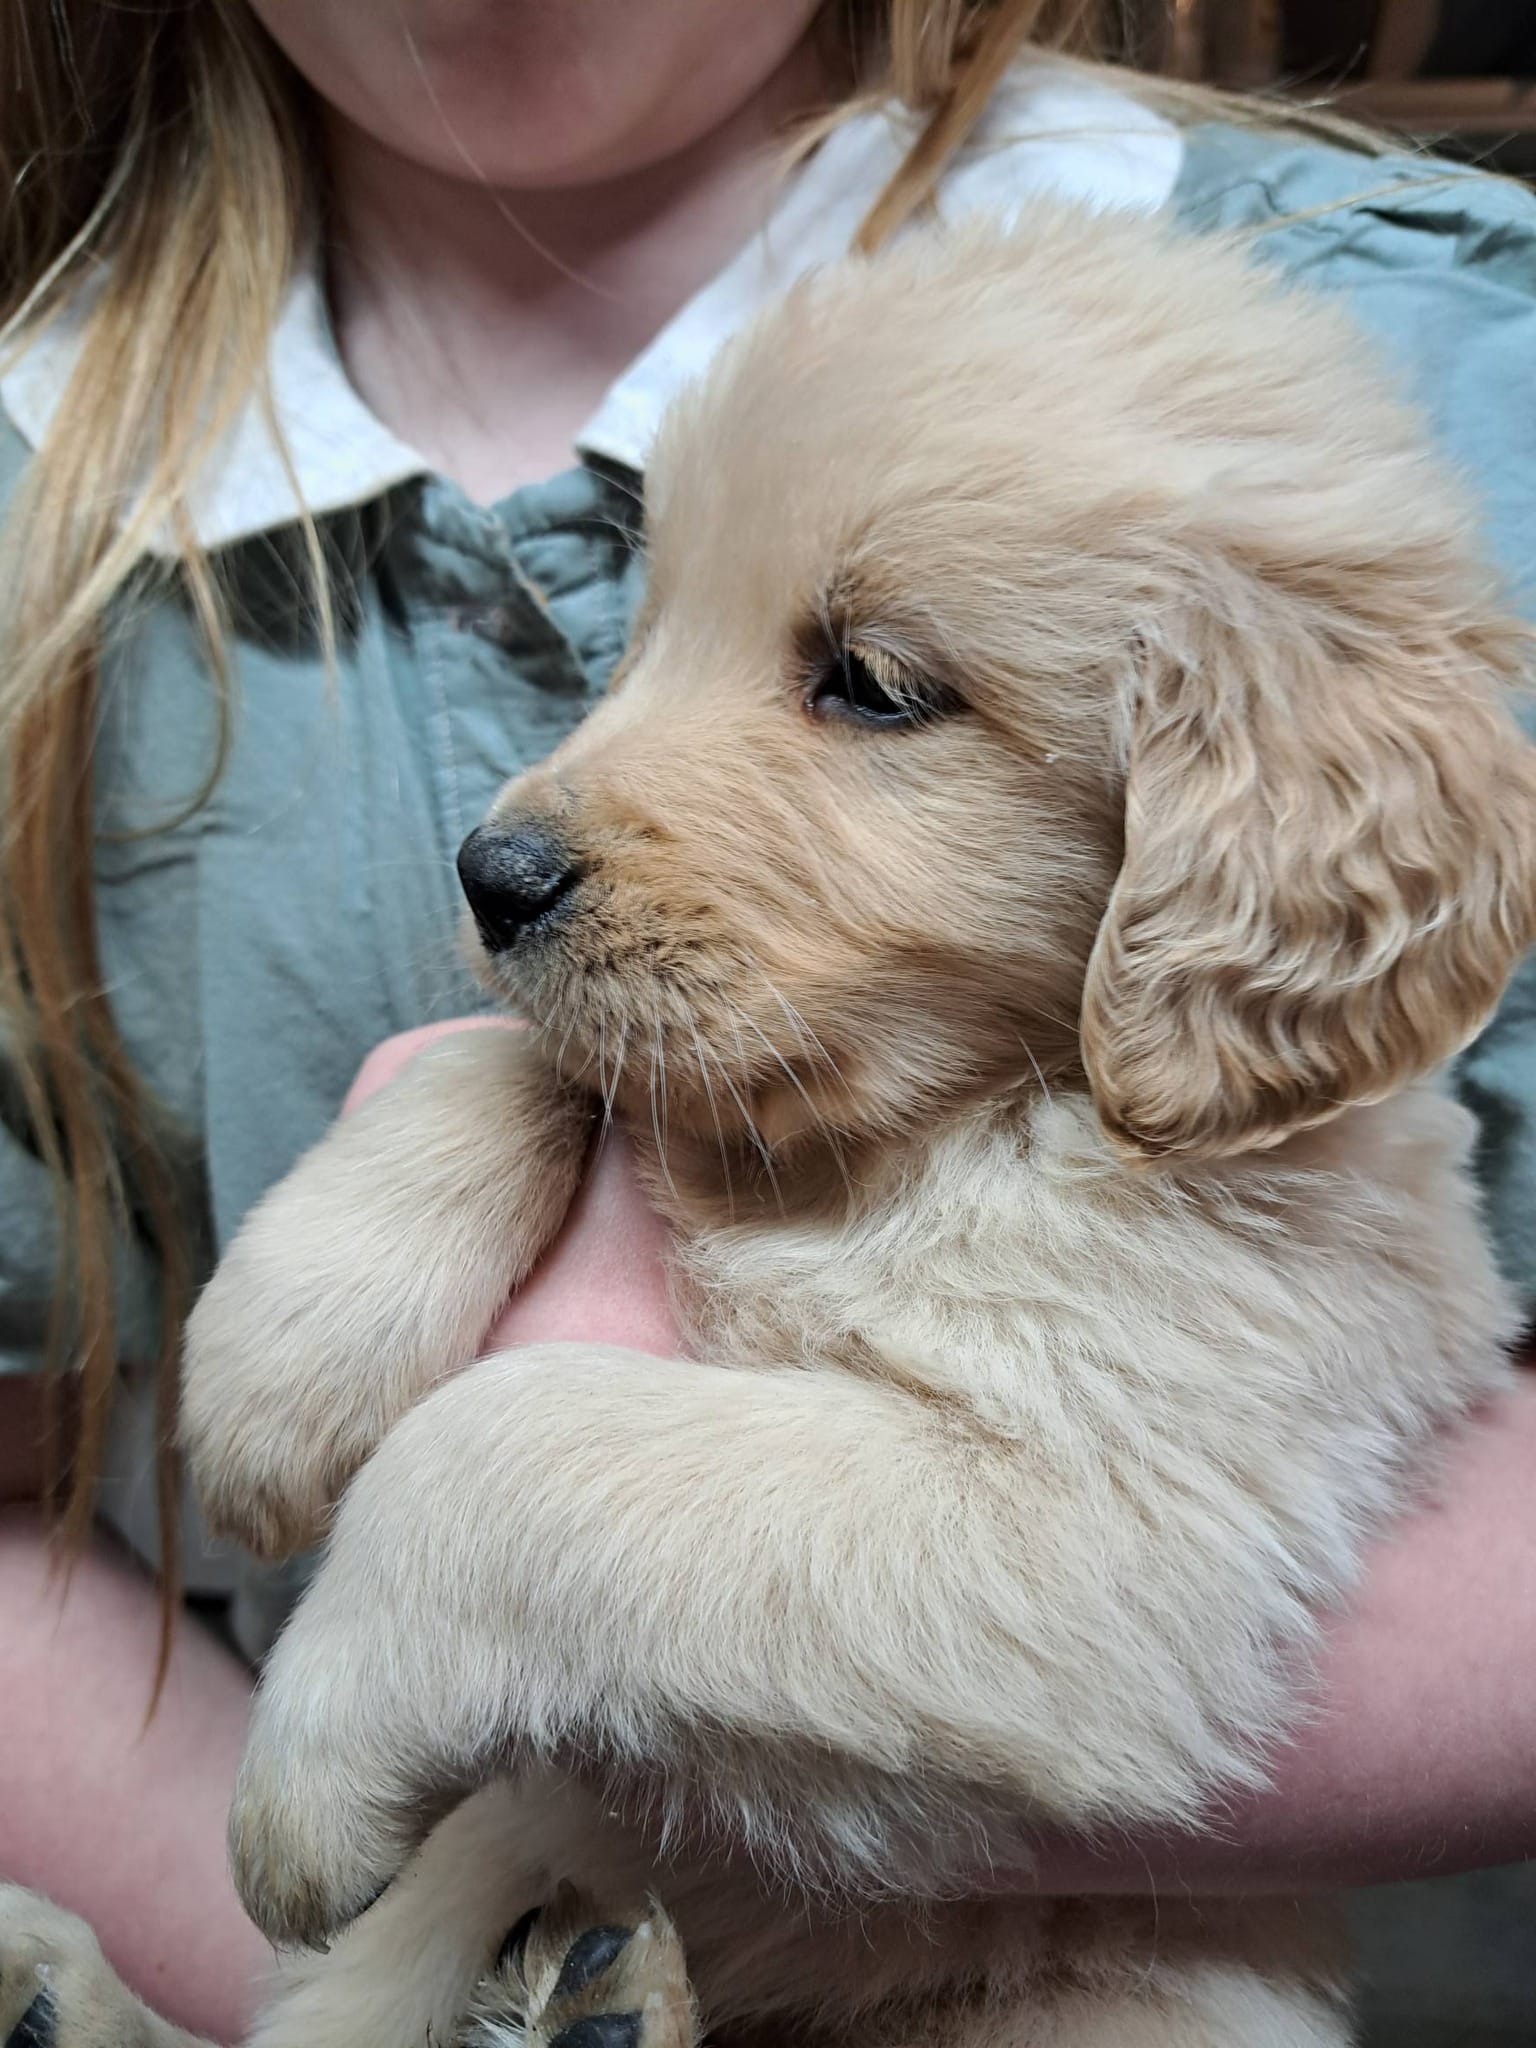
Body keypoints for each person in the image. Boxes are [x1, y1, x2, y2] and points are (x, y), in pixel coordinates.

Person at [1, 1, 1534, 2038]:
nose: (543, 821)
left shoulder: (1430, 350)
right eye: (651, 624)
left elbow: (1116, 1608)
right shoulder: (54, 476)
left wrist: (504, 1520)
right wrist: (476, 1135)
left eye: (869, 688)